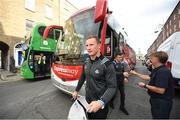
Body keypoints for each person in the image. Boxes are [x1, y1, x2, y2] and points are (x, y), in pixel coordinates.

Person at [72, 35, 117, 119]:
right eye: (87, 45)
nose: (88, 48)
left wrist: (101, 102)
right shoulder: (86, 61)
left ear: (99, 46)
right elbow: (83, 76)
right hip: (87, 102)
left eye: (91, 45)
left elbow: (112, 87)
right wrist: (76, 90)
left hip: (99, 106)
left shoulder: (107, 64)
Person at [130, 51, 174, 119]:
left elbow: (160, 90)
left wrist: (145, 85)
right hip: (157, 101)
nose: (150, 59)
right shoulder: (158, 69)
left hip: (161, 103)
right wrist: (136, 74)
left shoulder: (163, 72)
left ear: (157, 59)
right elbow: (148, 77)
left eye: (152, 58)